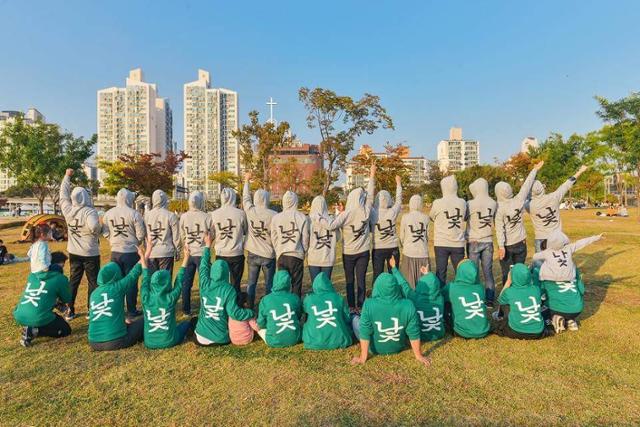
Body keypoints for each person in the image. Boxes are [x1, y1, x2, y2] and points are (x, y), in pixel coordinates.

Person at [314, 164, 376, 312]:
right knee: (361, 279)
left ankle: (351, 306)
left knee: (349, 280)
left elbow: (331, 225)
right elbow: (371, 196)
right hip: (364, 251)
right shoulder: (366, 211)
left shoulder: (346, 214)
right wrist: (372, 175)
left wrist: (317, 217)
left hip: (349, 253)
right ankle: (361, 306)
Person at [351, 271, 430, 366]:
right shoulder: (408, 305)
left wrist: (363, 357)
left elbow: (364, 331)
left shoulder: (368, 304)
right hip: (398, 347)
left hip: (373, 348)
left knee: (355, 319)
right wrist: (418, 355)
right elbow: (413, 331)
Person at [532, 230, 602, 333]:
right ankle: (571, 320)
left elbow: (535, 257)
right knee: (567, 299)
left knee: (545, 304)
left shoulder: (547, 255)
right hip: (577, 309)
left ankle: (555, 318)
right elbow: (581, 243)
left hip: (556, 305)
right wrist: (596, 237)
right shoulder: (569, 250)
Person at [193, 235, 256, 346]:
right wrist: (250, 313)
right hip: (221, 339)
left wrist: (207, 245)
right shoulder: (229, 290)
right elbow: (234, 313)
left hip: (200, 338)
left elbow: (203, 266)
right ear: (227, 273)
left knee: (193, 321)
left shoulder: (204, 283)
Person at [88, 242, 151, 351]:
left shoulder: (94, 293)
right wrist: (146, 252)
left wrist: (123, 321)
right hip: (116, 341)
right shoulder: (117, 287)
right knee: (147, 320)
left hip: (93, 342)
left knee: (129, 323)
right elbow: (136, 271)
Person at [59, 169, 101, 321]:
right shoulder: (89, 212)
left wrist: (67, 177)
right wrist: (97, 232)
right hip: (90, 253)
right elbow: (95, 227)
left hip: (74, 252)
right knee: (93, 281)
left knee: (74, 280)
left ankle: (69, 309)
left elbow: (63, 195)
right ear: (85, 197)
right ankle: (92, 309)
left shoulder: (68, 209)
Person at [495, 161, 544, 285]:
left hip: (507, 245)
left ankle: (508, 297)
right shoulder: (519, 200)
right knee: (520, 272)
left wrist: (501, 246)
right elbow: (526, 186)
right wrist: (534, 170)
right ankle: (521, 293)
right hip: (521, 242)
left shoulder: (499, 208)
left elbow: (500, 229)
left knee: (507, 273)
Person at [102, 188, 147, 320]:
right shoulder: (134, 214)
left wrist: (112, 240)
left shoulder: (108, 214)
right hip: (131, 252)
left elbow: (104, 232)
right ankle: (132, 310)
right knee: (131, 281)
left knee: (116, 281)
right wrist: (135, 242)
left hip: (115, 253)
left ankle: (117, 308)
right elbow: (141, 234)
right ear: (129, 199)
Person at [13, 251, 72, 347]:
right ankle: (34, 330)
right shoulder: (60, 278)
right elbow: (67, 298)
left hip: (19, 314)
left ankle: (31, 328)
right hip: (38, 316)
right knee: (66, 330)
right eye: (62, 266)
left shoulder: (33, 275)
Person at [141, 246, 194, 349]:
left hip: (149, 343)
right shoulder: (171, 297)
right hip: (170, 341)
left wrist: (143, 259)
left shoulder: (145, 296)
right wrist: (186, 257)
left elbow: (145, 279)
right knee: (186, 323)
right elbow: (179, 279)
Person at [528, 165, 588, 252]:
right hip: (556, 237)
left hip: (541, 238)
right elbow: (567, 184)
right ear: (542, 188)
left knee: (540, 263)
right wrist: (580, 171)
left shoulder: (529, 205)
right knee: (559, 262)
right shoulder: (554, 197)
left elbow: (523, 194)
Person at [242, 173, 277, 309]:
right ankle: (267, 308)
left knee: (251, 283)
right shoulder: (274, 215)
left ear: (255, 198)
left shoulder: (251, 211)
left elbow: (245, 199)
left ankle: (250, 306)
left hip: (252, 252)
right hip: (268, 254)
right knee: (269, 284)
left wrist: (246, 181)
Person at [390, 259, 445, 342]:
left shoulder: (414, 298)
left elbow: (403, 285)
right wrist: (427, 274)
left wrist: (394, 268)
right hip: (439, 333)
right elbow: (433, 286)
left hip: (421, 335)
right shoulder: (440, 298)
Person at [270, 190, 310, 297]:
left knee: (282, 284)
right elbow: (305, 238)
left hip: (282, 255)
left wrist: (278, 249)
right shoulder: (302, 217)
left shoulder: (276, 218)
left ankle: (283, 308)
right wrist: (303, 251)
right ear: (296, 201)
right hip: (296, 255)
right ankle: (295, 309)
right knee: (296, 284)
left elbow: (274, 237)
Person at [429, 175, 467, 285]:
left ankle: (441, 298)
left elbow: (431, 216)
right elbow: (464, 217)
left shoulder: (437, 203)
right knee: (460, 272)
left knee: (441, 272)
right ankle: (461, 296)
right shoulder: (462, 202)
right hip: (458, 243)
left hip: (441, 243)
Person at [179, 191, 212, 315]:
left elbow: (182, 234)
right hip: (202, 253)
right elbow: (211, 234)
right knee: (205, 282)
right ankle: (206, 307)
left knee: (186, 283)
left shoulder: (183, 216)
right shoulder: (207, 217)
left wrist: (185, 244)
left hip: (189, 253)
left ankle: (186, 310)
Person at [211, 187, 247, 297]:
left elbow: (212, 233)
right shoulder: (241, 214)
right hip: (236, 253)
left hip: (221, 254)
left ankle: (222, 305)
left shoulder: (214, 214)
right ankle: (235, 306)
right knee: (236, 283)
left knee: (222, 283)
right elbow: (245, 230)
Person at [302, 272, 353, 350]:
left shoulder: (308, 299)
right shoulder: (338, 298)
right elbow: (347, 318)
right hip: (340, 340)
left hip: (312, 341)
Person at [467, 178, 497, 306]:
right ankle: (490, 300)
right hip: (488, 240)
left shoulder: (470, 203)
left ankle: (476, 298)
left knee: (474, 272)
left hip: (473, 240)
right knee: (488, 272)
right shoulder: (493, 203)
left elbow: (464, 217)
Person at [494, 263, 545, 340]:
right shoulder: (536, 289)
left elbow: (500, 300)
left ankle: (500, 316)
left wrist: (508, 281)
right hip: (538, 332)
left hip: (516, 331)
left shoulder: (509, 292)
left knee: (505, 303)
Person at [442, 259, 490, 339]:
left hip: (462, 332)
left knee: (446, 303)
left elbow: (439, 297)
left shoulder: (451, 288)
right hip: (483, 331)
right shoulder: (480, 288)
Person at [256, 270, 302, 348]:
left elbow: (261, 322)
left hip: (272, 341)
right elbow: (298, 316)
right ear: (289, 283)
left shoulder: (266, 299)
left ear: (274, 281)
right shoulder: (295, 298)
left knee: (259, 328)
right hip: (295, 339)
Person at [370, 175, 403, 283]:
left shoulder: (373, 212)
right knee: (394, 274)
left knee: (377, 276)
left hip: (378, 248)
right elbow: (398, 200)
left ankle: (377, 296)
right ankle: (395, 296)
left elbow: (369, 198)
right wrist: (398, 183)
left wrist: (372, 175)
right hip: (392, 247)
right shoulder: (392, 212)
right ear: (389, 199)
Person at [145, 189, 180, 275]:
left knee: (153, 281)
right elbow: (176, 236)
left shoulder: (146, 216)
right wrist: (178, 250)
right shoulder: (171, 215)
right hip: (166, 252)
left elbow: (144, 235)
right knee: (165, 281)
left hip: (151, 252)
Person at [399, 195, 431, 288]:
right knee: (424, 284)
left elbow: (402, 236)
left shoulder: (405, 217)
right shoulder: (426, 218)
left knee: (408, 285)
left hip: (408, 253)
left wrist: (404, 245)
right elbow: (427, 236)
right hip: (423, 253)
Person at [307, 195, 339, 282]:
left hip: (313, 257)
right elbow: (338, 238)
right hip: (328, 257)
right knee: (325, 285)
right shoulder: (332, 221)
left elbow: (306, 239)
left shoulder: (310, 221)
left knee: (315, 285)